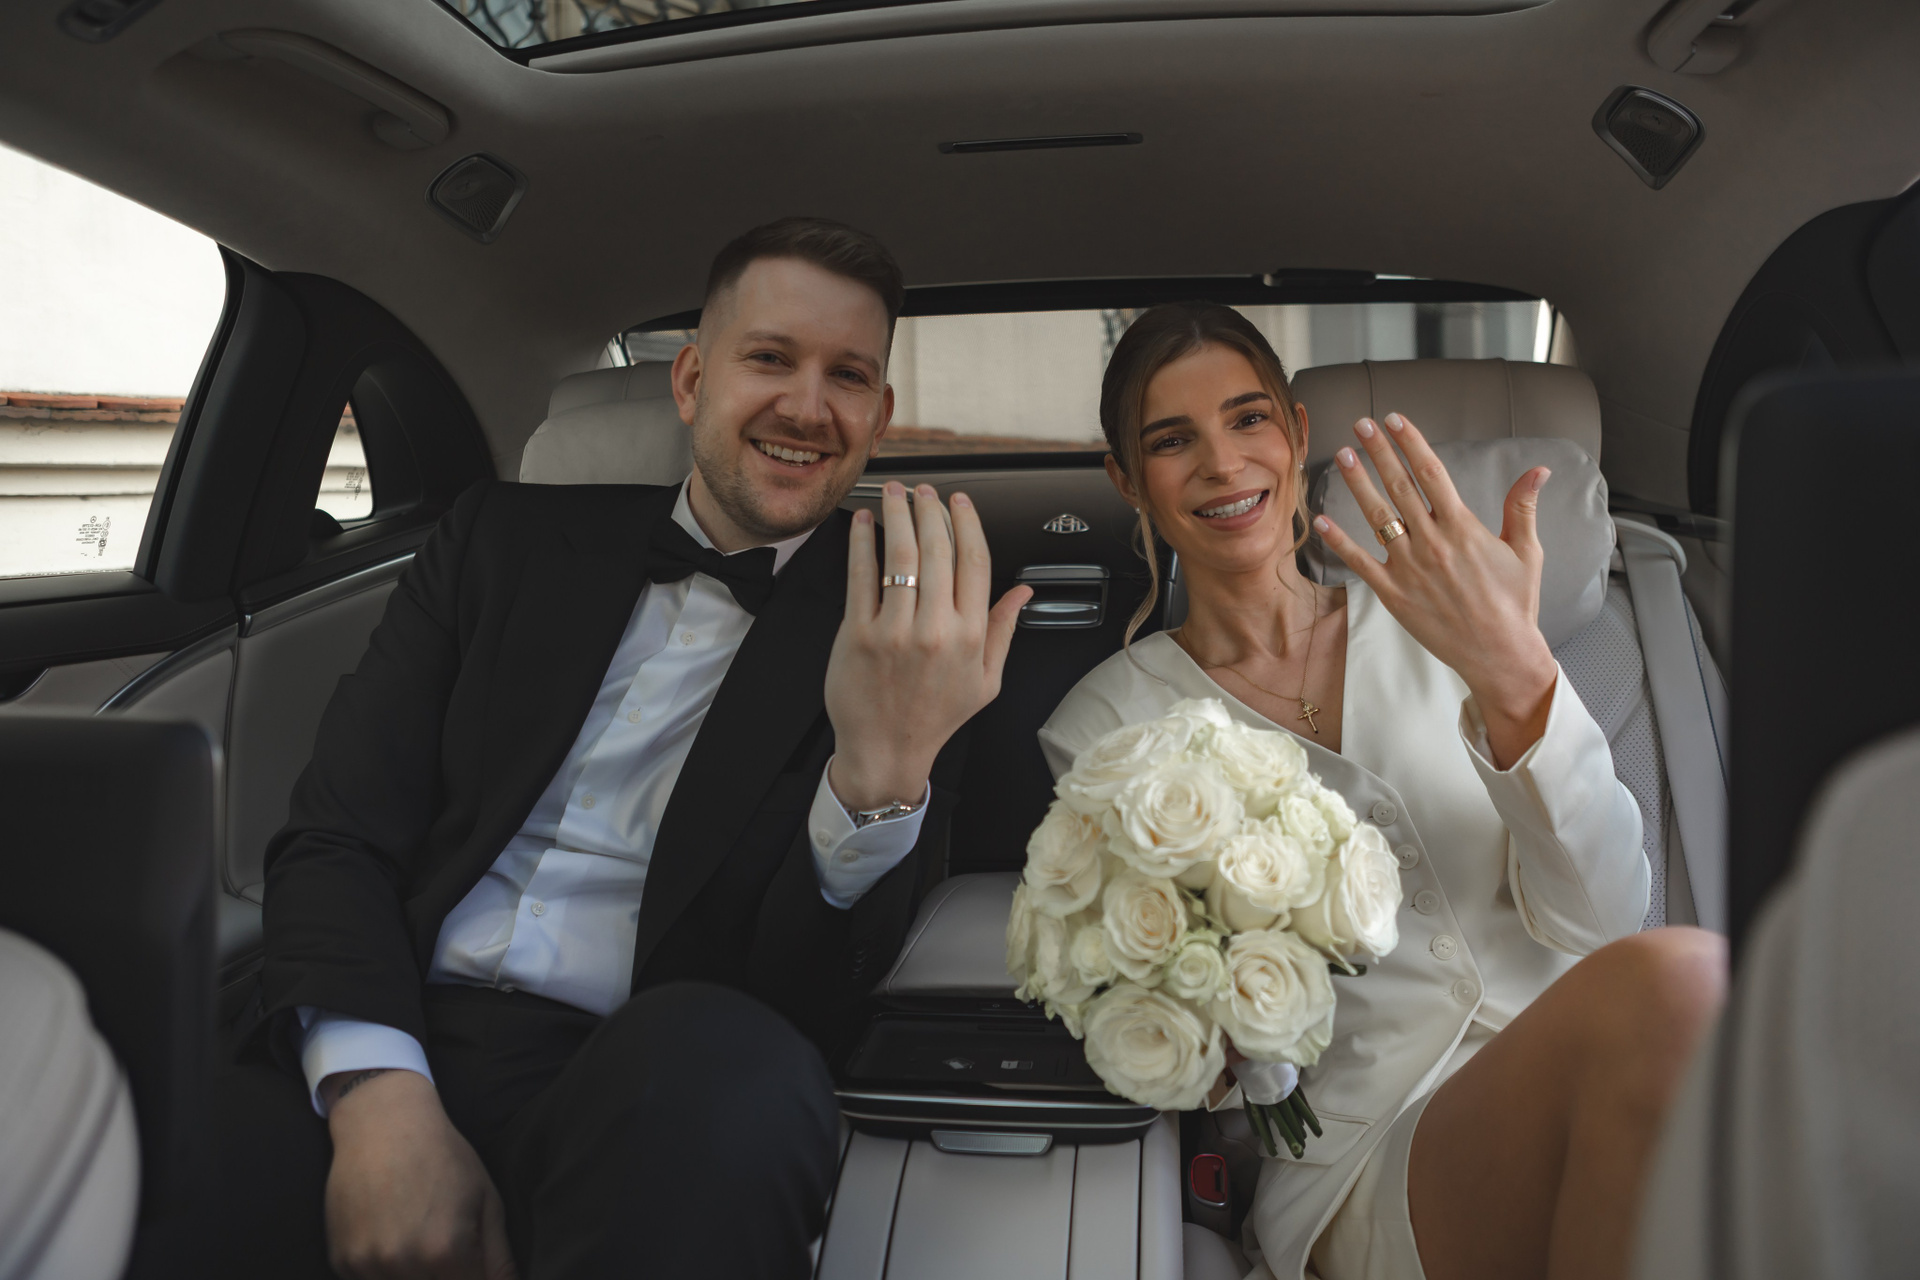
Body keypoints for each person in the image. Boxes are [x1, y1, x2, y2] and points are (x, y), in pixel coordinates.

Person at [218, 217, 1030, 1280]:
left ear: (878, 417)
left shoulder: (907, 628)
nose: (807, 407)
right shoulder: (497, 541)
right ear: (691, 380)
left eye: (848, 375)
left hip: (657, 1072)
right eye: (770, 358)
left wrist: (878, 777)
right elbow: (338, 833)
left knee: (730, 1085)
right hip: (383, 1019)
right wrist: (378, 1099)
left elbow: (812, 997)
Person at [1038, 302, 1725, 1280]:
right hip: (1368, 1156)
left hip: (1598, 1064)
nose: (1223, 463)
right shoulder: (1106, 725)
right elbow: (1191, 1057)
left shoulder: (1453, 626)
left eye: (1247, 419)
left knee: (1692, 1005)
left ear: (1296, 435)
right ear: (1126, 479)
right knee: (1683, 984)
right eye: (1171, 440)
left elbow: (1607, 916)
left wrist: (1515, 676)